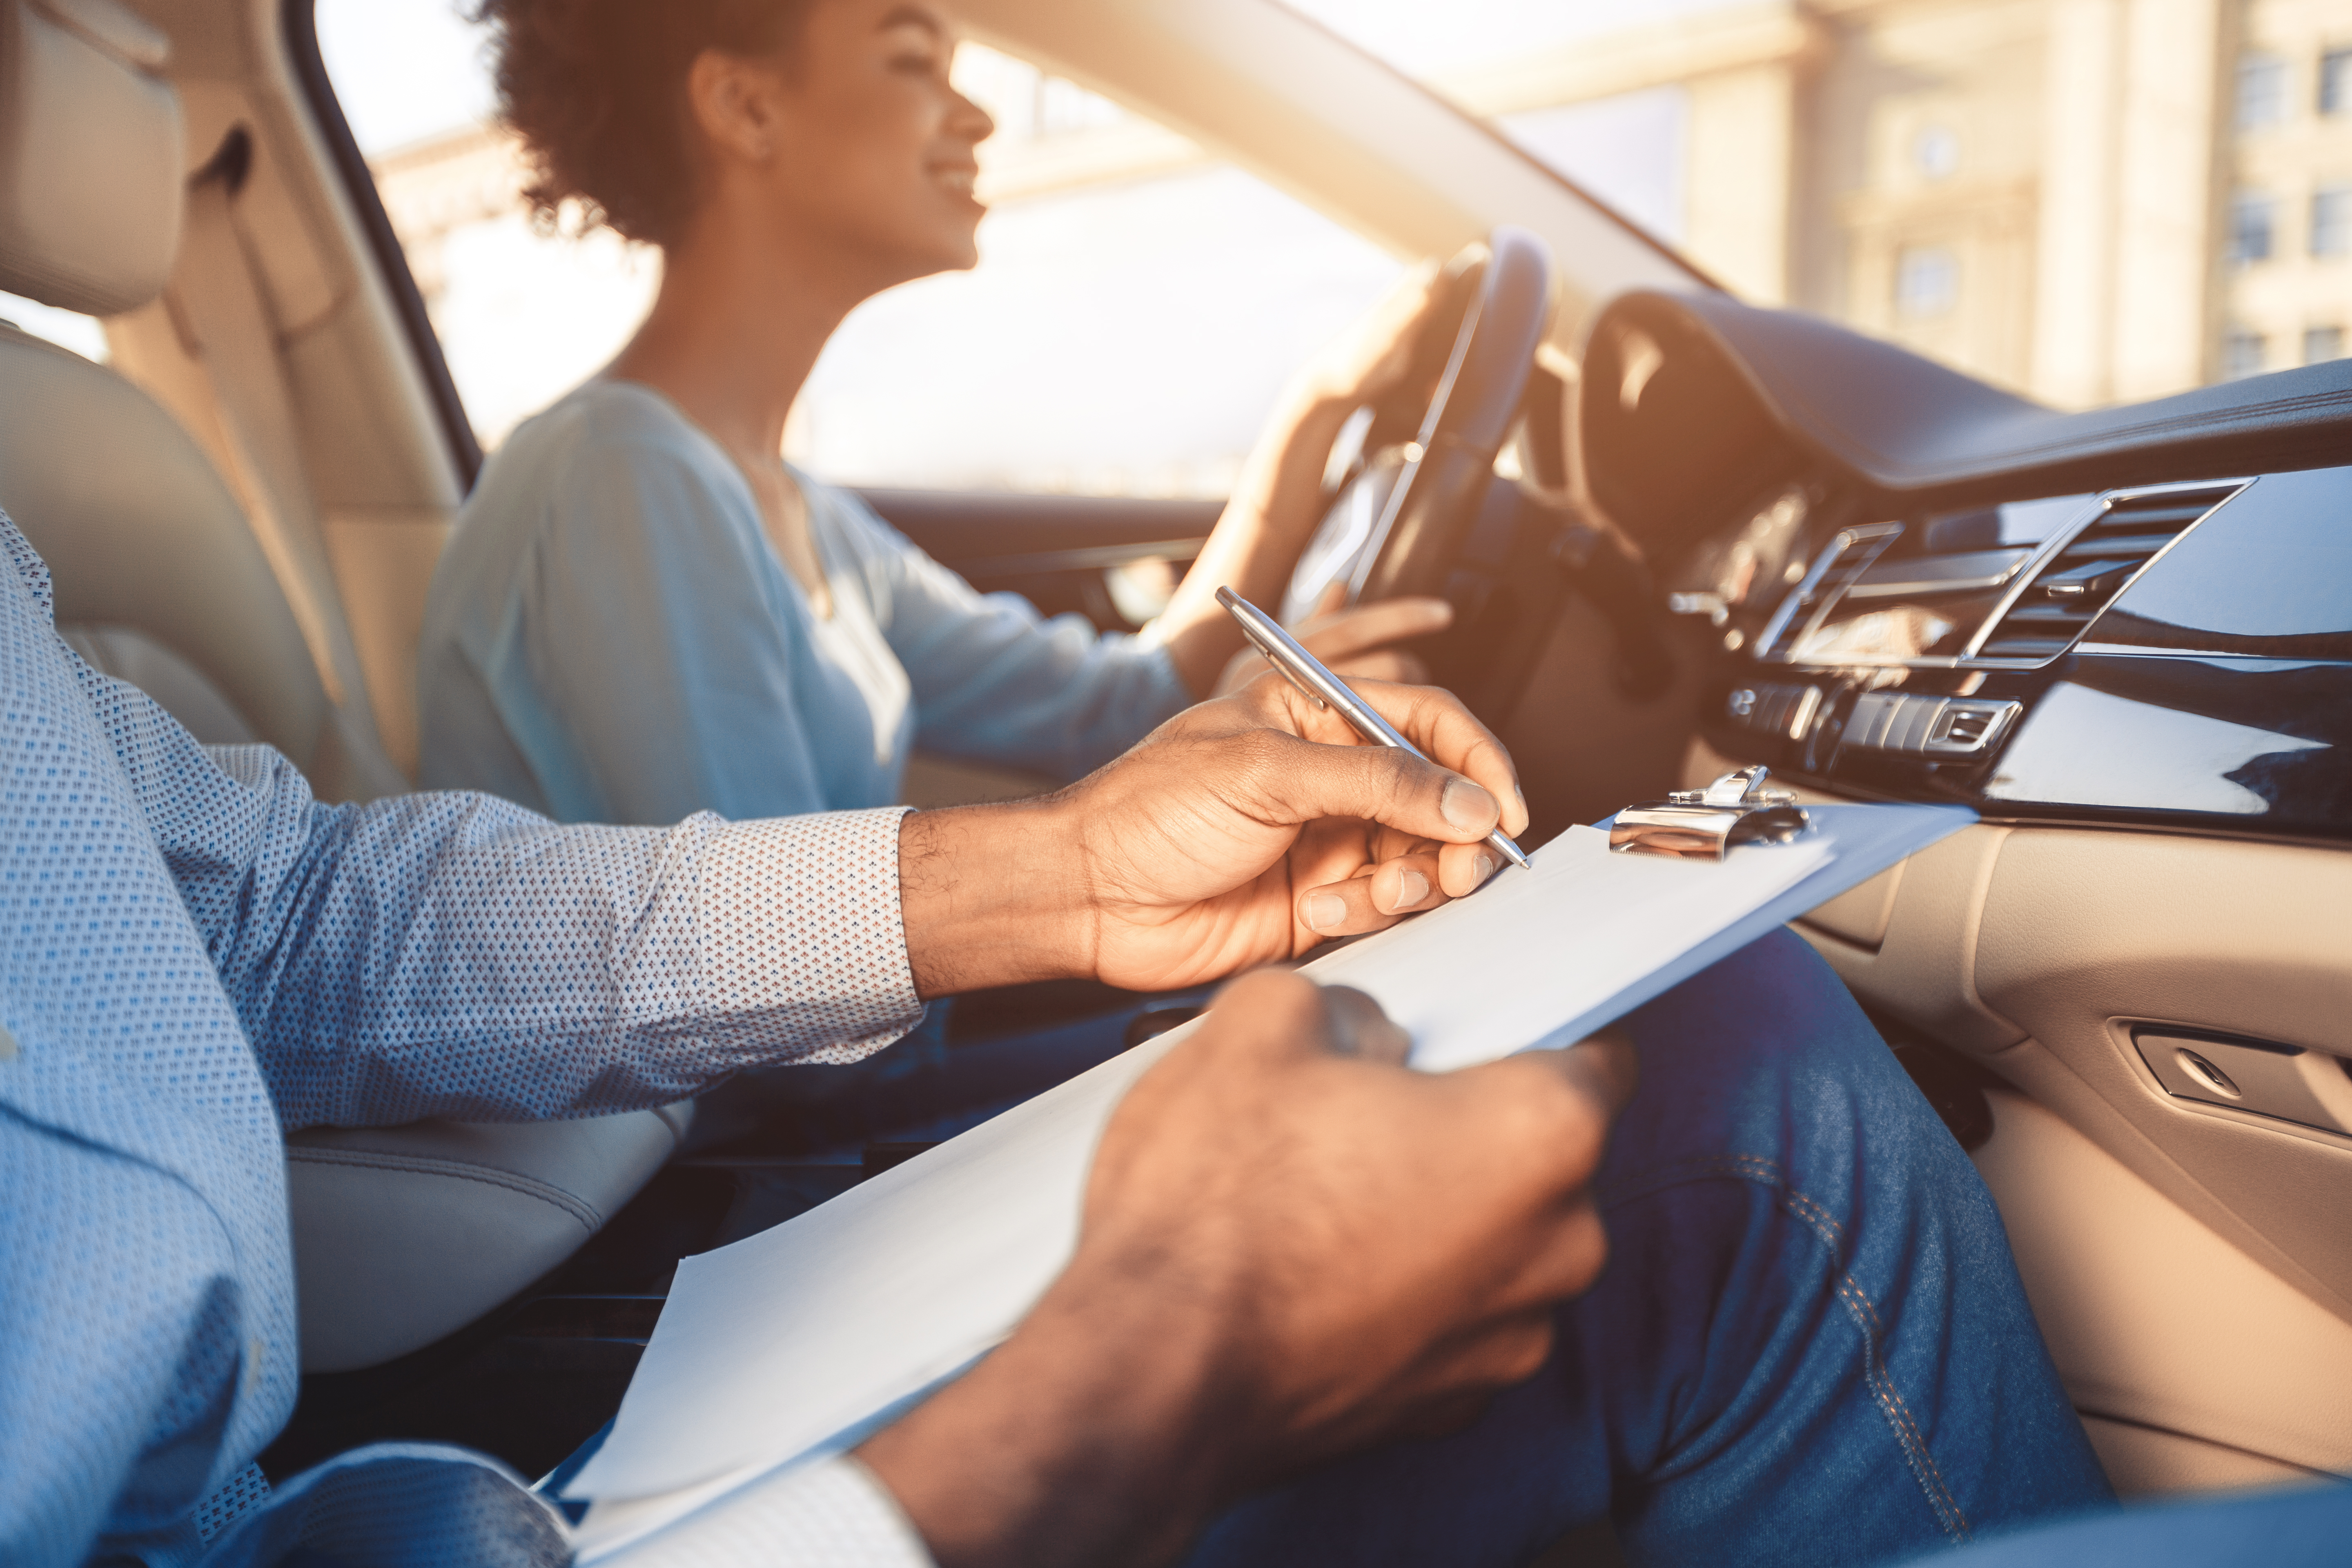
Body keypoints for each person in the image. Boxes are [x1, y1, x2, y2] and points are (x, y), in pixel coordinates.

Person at [4, 494, 2139, 1568]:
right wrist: (1128, 1385)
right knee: (1740, 1133)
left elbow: (265, 911)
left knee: (1718, 1040)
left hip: (373, 1512)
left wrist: (1068, 877)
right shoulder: (610, 489)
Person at [415, 0, 1453, 831]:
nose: (980, 116)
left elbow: (1123, 705)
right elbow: (763, 1014)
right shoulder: (621, 481)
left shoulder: (794, 511)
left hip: (842, 1081)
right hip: (786, 1092)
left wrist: (1316, 411)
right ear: (745, 107)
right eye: (915, 60)